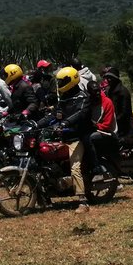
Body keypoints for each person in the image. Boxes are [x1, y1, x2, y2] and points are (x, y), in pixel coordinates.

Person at [54, 66, 94, 212]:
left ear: (71, 81)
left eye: (62, 82)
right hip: (64, 136)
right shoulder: (64, 98)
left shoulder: (83, 98)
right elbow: (54, 115)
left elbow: (80, 114)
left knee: (75, 167)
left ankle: (83, 201)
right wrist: (35, 124)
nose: (59, 85)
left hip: (78, 138)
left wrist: (66, 122)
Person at [101, 67, 133, 140]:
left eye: (111, 78)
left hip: (124, 126)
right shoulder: (110, 90)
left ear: (116, 79)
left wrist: (113, 121)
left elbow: (125, 112)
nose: (108, 80)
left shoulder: (123, 92)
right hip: (116, 122)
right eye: (107, 78)